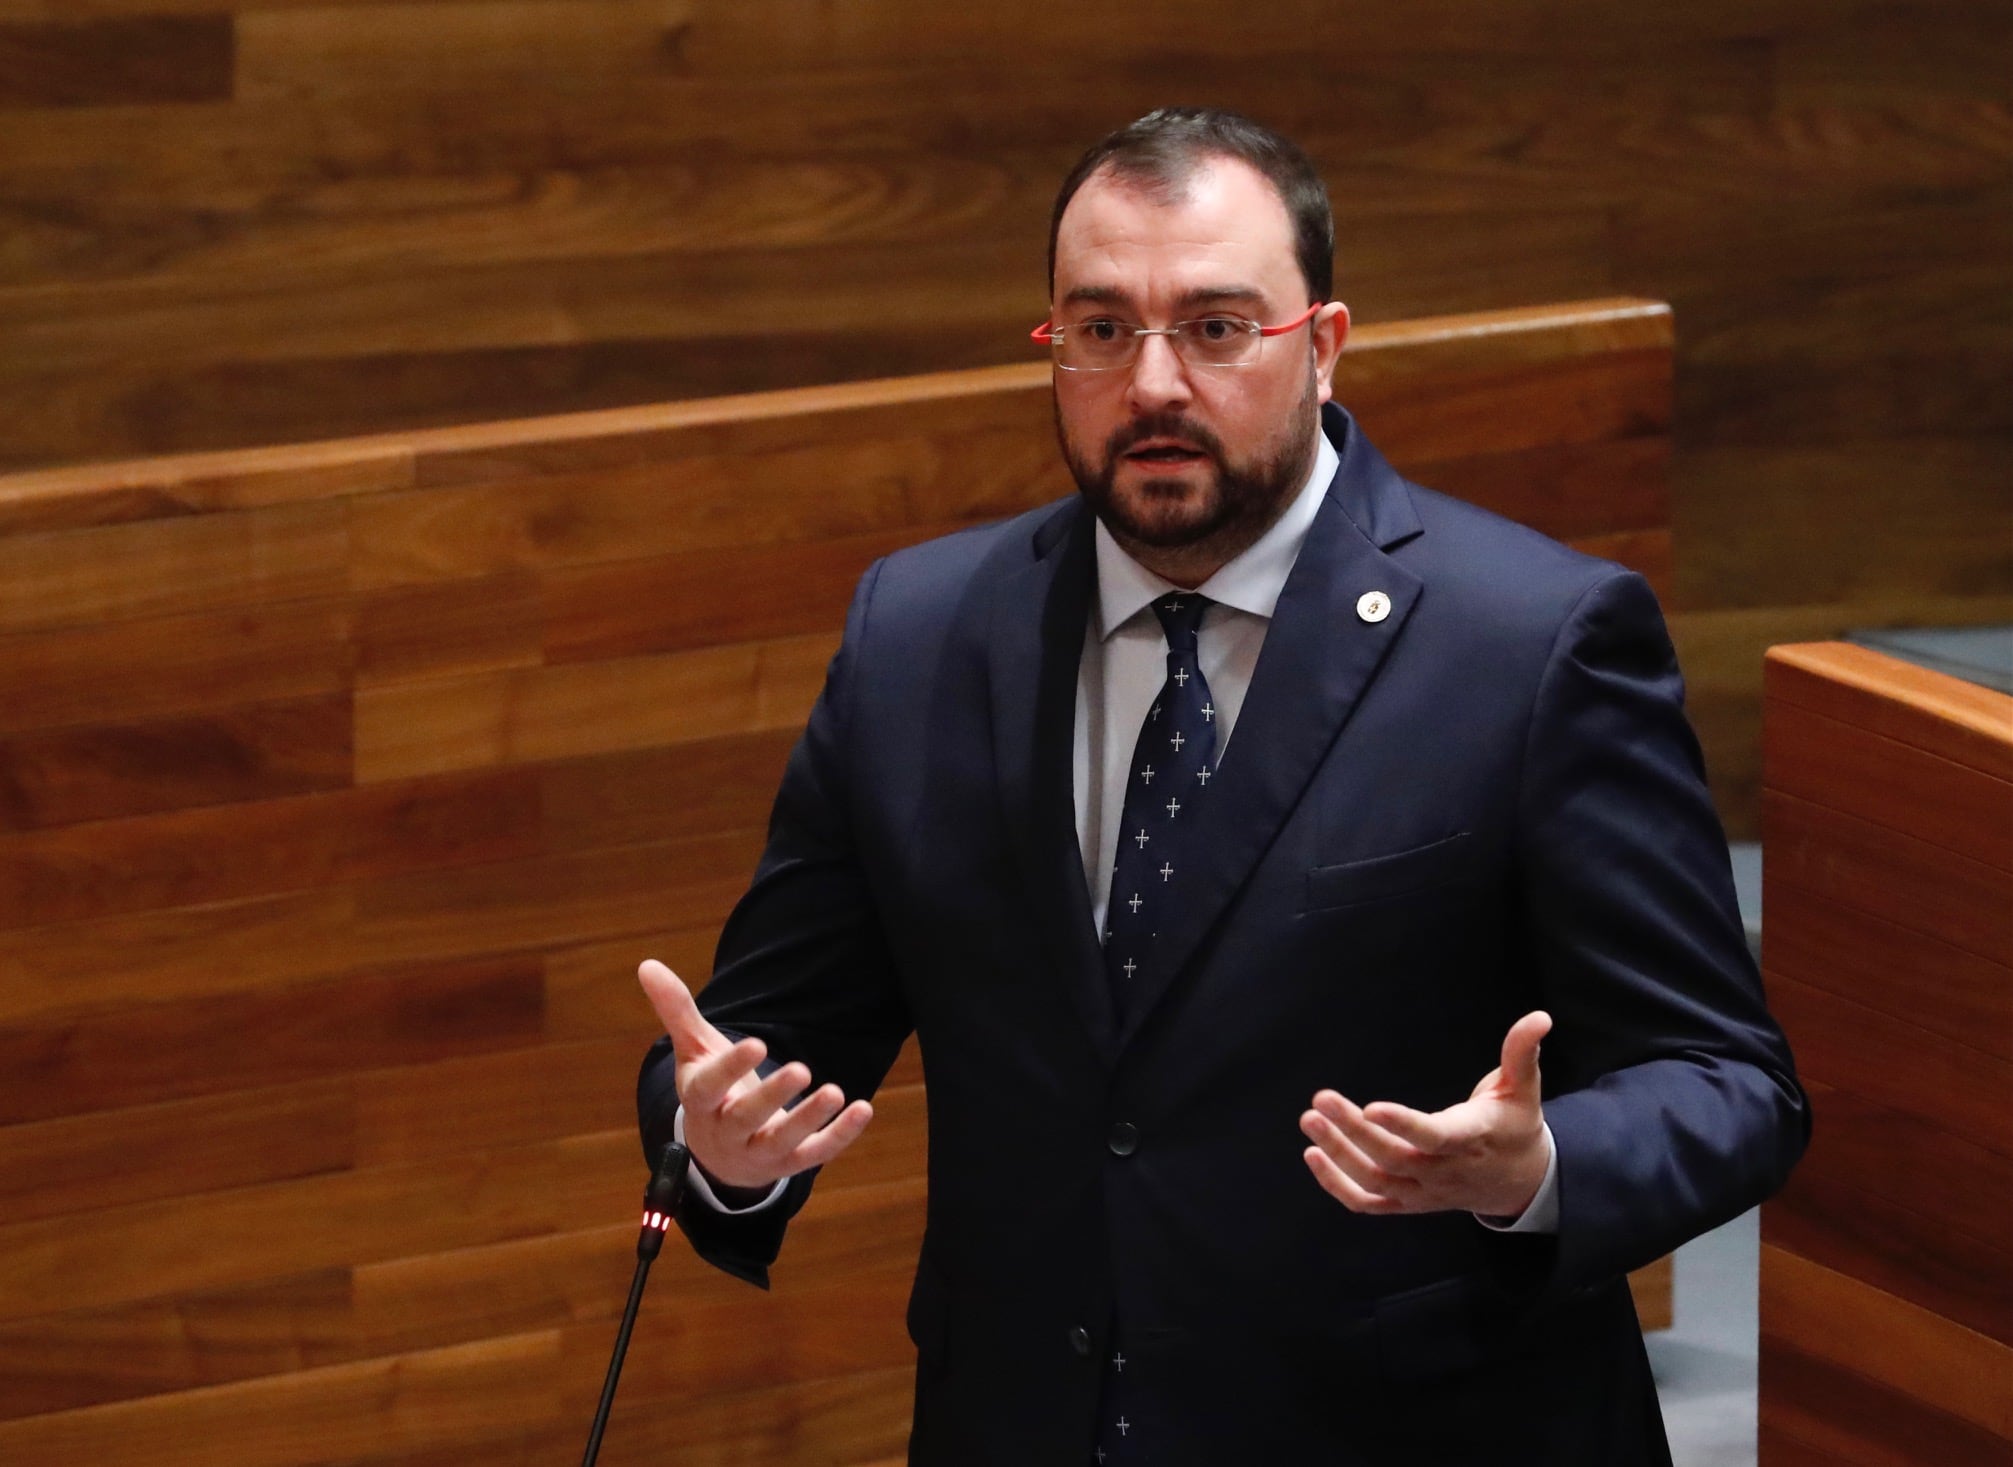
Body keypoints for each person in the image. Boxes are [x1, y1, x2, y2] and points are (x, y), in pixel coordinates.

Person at [635, 107, 1807, 1465]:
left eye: (1212, 328)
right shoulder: (919, 636)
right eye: (1098, 329)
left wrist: (1535, 1173)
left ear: (1320, 344)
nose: (1150, 387)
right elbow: (761, 1051)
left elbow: (1726, 1080)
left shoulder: (1530, 642)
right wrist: (717, 1142)